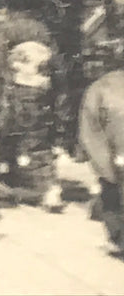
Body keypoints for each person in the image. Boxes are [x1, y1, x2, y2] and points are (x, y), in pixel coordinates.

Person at [0, 0, 63, 211]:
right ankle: (49, 188)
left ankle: (1, 184)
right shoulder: (43, 30)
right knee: (38, 140)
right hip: (40, 91)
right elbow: (55, 64)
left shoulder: (4, 30)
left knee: (4, 139)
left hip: (13, 90)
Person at [79, 42, 124, 257]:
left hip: (115, 160)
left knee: (112, 198)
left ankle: (118, 238)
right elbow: (91, 129)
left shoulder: (100, 88)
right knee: (113, 198)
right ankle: (118, 238)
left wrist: (103, 165)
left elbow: (90, 130)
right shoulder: (101, 88)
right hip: (117, 158)